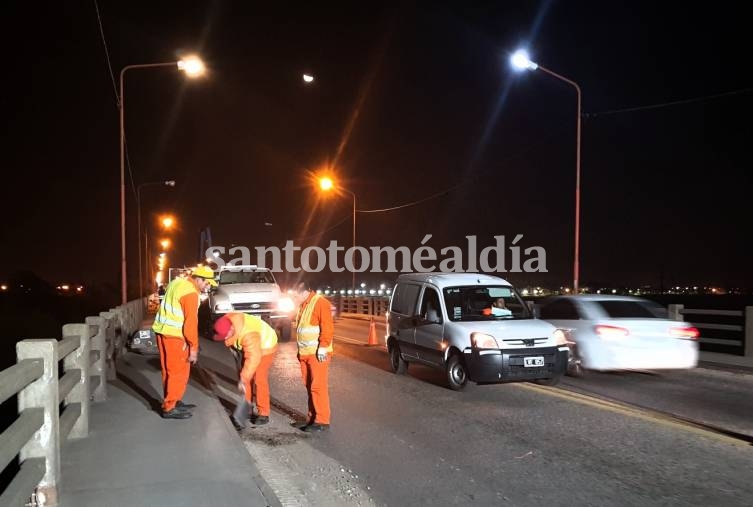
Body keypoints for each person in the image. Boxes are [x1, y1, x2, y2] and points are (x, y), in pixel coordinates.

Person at [152, 265, 217, 419]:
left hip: (162, 331)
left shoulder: (177, 283)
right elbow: (190, 324)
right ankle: (169, 407)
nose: (207, 287)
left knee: (169, 370)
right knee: (178, 371)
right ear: (199, 279)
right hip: (176, 336)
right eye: (207, 283)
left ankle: (173, 400)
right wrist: (193, 348)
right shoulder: (191, 293)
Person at [212, 312, 278, 427]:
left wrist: (243, 378)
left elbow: (253, 358)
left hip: (266, 346)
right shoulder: (228, 321)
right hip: (250, 346)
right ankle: (247, 408)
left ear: (232, 328)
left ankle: (264, 412)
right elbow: (231, 339)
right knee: (245, 376)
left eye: (226, 335)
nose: (225, 338)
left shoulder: (248, 334)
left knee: (258, 378)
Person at [295, 282, 334, 432]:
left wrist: (323, 347)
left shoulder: (320, 303)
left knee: (317, 386)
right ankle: (311, 418)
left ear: (304, 292)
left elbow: (327, 326)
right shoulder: (304, 304)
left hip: (317, 353)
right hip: (306, 353)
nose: (294, 298)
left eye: (296, 295)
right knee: (309, 386)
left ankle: (322, 420)